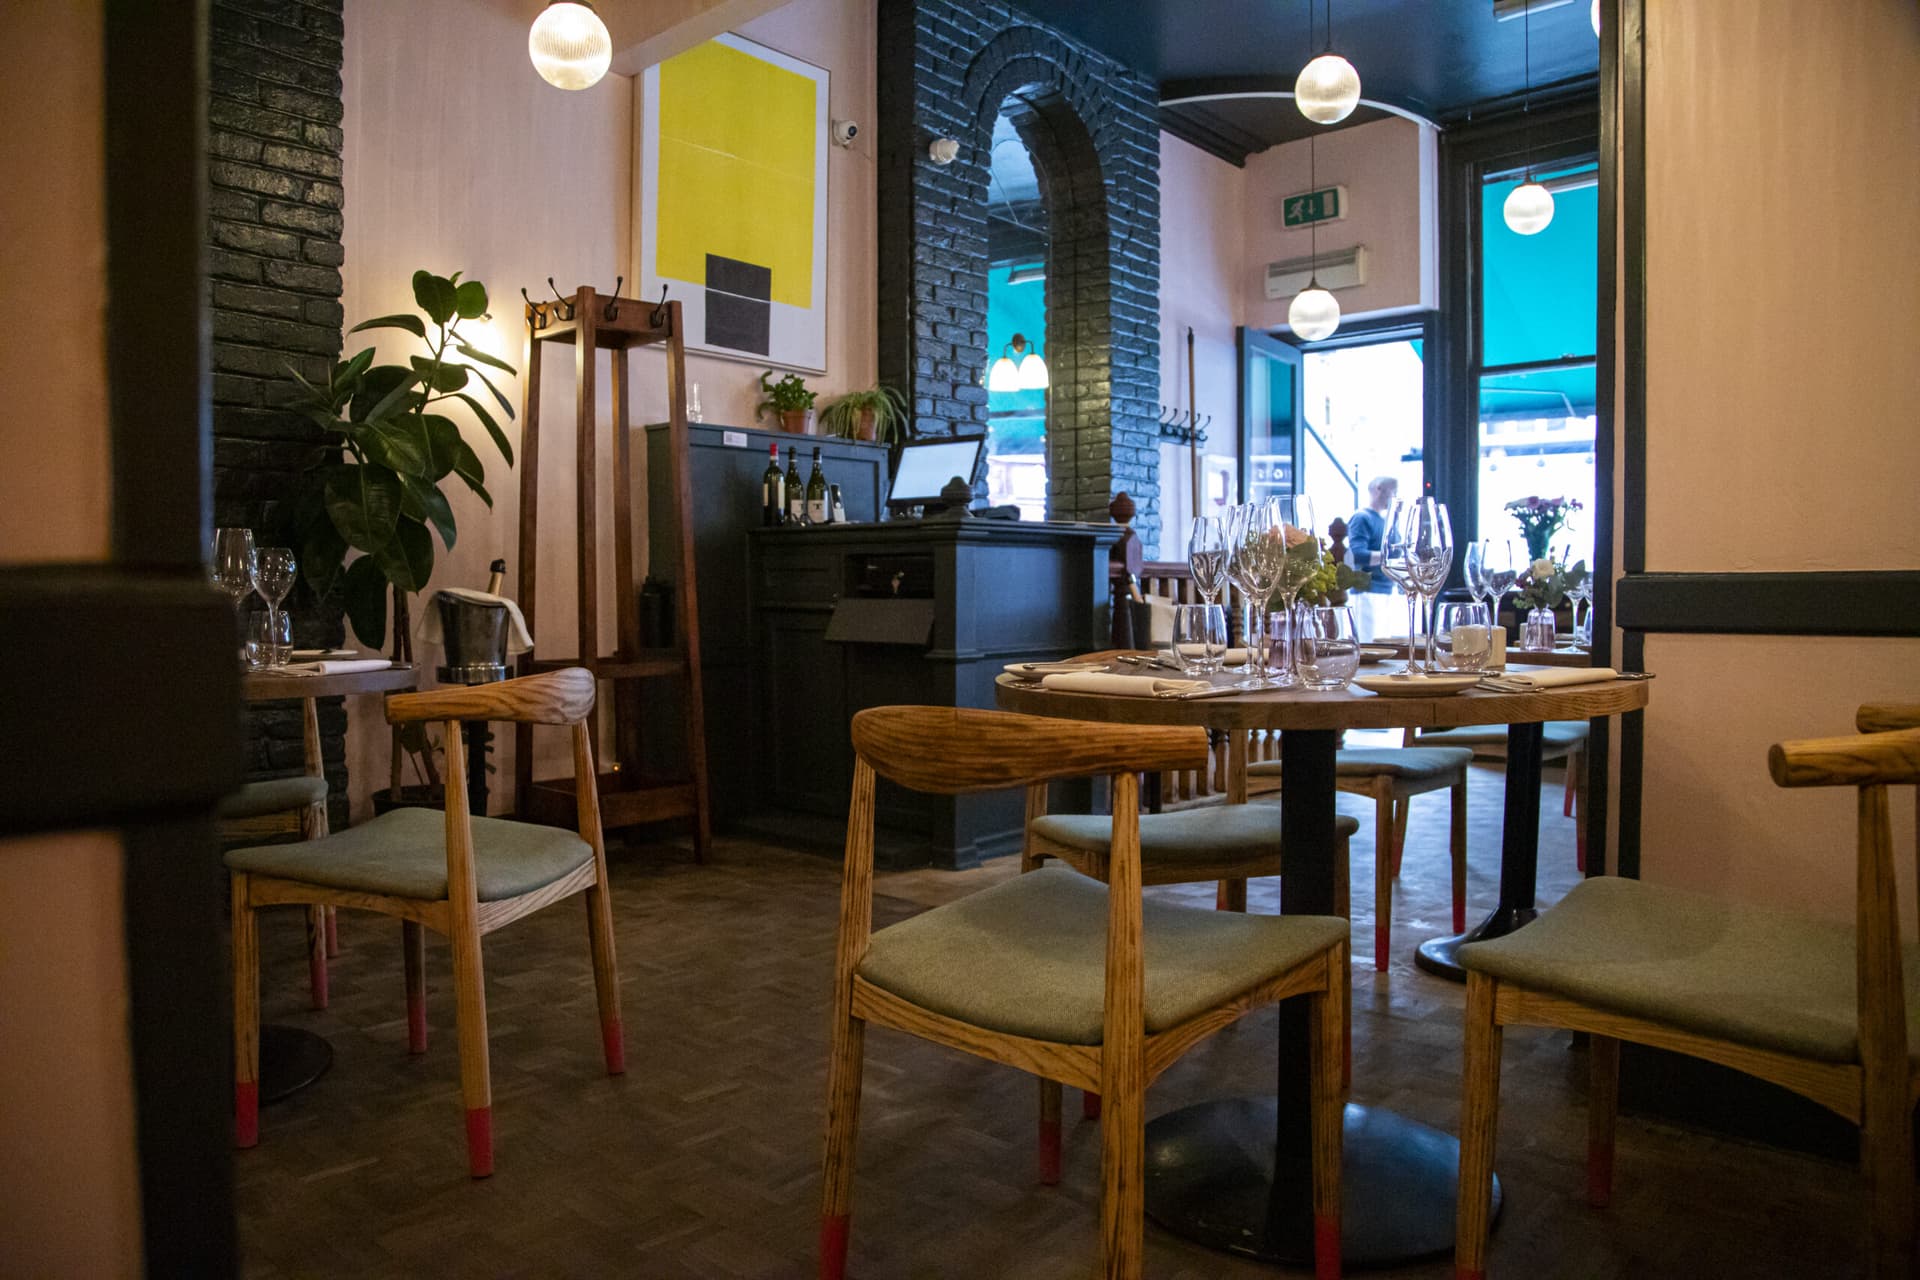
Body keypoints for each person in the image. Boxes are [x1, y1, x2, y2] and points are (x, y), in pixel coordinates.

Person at [1346, 476, 1399, 592]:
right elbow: (1357, 554)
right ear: (1378, 489)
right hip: (1368, 592)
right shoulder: (1362, 518)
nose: (1394, 496)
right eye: (1393, 492)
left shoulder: (1387, 521)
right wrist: (1388, 557)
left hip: (1388, 589)